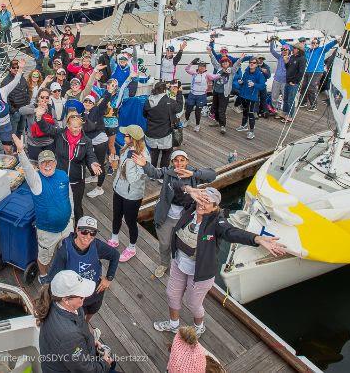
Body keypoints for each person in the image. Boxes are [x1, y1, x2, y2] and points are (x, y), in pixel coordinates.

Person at [144, 186, 284, 335]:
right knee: (172, 295)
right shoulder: (190, 207)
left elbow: (231, 232)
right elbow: (172, 187)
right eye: (202, 198)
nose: (202, 203)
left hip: (200, 273)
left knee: (193, 303)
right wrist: (190, 190)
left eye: (207, 201)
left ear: (215, 207)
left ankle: (199, 327)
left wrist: (256, 238)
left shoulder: (217, 223)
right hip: (179, 263)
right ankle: (173, 324)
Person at [135, 150, 216, 278]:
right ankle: (164, 263)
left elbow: (212, 175)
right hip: (166, 216)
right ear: (172, 162)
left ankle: (178, 264)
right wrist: (145, 164)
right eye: (176, 160)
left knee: (181, 244)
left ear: (187, 161)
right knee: (165, 244)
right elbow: (154, 172)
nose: (179, 163)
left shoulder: (192, 173)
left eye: (182, 160)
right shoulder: (168, 171)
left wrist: (194, 173)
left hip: (184, 218)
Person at [13, 135, 72, 283]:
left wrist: (72, 219)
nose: (47, 165)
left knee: (65, 251)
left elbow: (69, 196)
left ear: (55, 163)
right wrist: (21, 151)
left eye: (50, 162)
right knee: (44, 258)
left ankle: (62, 270)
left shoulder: (63, 175)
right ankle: (43, 276)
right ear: (38, 166)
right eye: (43, 163)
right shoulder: (36, 180)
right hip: (47, 231)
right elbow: (27, 168)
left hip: (66, 227)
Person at [37, 270, 115, 372]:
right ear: (66, 300)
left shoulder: (58, 302)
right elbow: (84, 370)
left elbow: (80, 328)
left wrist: (91, 341)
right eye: (81, 296)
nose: (86, 296)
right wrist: (104, 364)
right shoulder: (69, 335)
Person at [35, 111, 102, 224]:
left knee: (77, 206)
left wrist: (93, 163)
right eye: (75, 127)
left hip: (77, 181)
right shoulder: (60, 134)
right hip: (60, 177)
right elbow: (46, 128)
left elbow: (90, 155)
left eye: (79, 127)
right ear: (68, 126)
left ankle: (78, 228)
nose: (77, 129)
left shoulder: (86, 141)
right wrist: (39, 117)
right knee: (59, 202)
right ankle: (62, 225)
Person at [48, 216, 119, 322]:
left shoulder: (97, 245)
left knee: (92, 311)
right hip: (75, 296)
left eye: (92, 233)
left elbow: (115, 255)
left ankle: (86, 323)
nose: (88, 236)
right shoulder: (64, 252)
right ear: (77, 229)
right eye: (84, 231)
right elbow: (53, 279)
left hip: (95, 291)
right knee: (75, 320)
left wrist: (109, 278)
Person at [109, 125, 149, 261]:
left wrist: (131, 161)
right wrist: (115, 165)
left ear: (132, 139)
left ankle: (132, 248)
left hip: (132, 195)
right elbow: (120, 169)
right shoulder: (126, 148)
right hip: (118, 189)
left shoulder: (143, 156)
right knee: (116, 215)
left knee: (130, 221)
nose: (123, 136)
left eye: (126, 135)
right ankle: (114, 238)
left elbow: (132, 179)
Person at [81, 82, 114, 199]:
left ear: (94, 104)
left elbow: (104, 102)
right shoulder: (82, 113)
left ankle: (99, 188)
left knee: (99, 163)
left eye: (90, 101)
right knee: (88, 160)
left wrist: (109, 91)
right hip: (90, 141)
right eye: (86, 101)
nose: (88, 103)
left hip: (100, 141)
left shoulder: (97, 110)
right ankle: (94, 176)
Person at [144, 81, 182, 169]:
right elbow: (179, 108)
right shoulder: (170, 102)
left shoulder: (148, 101)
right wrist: (179, 93)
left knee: (153, 153)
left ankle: (152, 173)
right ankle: (162, 174)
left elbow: (144, 115)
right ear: (165, 90)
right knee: (166, 154)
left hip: (151, 134)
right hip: (165, 134)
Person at [293, 37, 338, 111]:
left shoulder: (321, 50)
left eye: (316, 43)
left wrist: (336, 41)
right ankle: (303, 102)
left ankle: (313, 105)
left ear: (318, 44)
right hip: (307, 71)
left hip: (317, 72)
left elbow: (328, 46)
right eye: (313, 43)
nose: (314, 44)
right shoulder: (308, 50)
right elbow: (295, 47)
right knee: (304, 86)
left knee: (311, 87)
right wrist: (280, 41)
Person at [232, 56, 267, 140]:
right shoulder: (246, 72)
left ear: (257, 64)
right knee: (244, 111)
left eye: (254, 63)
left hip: (252, 97)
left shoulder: (259, 74)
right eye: (250, 62)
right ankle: (244, 125)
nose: (251, 64)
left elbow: (262, 86)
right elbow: (243, 81)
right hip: (243, 95)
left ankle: (251, 132)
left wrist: (254, 84)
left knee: (251, 113)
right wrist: (241, 82)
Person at [20, 85, 57, 160]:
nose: (44, 99)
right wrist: (35, 110)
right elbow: (21, 110)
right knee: (35, 165)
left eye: (47, 97)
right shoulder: (33, 107)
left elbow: (56, 125)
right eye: (42, 97)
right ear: (38, 98)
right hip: (34, 144)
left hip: (49, 143)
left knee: (48, 164)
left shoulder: (51, 109)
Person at [206, 56, 240, 134]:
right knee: (215, 107)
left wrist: (240, 58)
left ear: (229, 63)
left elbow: (236, 65)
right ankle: (217, 121)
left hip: (224, 93)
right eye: (223, 62)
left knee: (222, 110)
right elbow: (214, 61)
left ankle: (223, 126)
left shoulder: (231, 71)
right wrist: (210, 53)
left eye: (226, 62)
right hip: (216, 91)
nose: (225, 63)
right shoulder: (219, 68)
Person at [1, 60, 31, 137]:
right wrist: (13, 111)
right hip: (14, 112)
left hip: (23, 110)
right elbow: (4, 99)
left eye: (17, 67)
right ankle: (13, 148)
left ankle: (20, 148)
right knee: (13, 134)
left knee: (21, 131)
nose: (16, 69)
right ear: (10, 68)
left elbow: (27, 92)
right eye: (14, 67)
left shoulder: (22, 78)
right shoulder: (5, 81)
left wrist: (26, 105)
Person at [182, 60, 210, 132]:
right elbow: (187, 69)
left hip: (201, 95)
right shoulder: (194, 73)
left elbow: (216, 76)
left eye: (203, 66)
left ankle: (197, 125)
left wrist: (223, 73)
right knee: (188, 110)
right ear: (198, 67)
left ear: (205, 68)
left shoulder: (207, 74)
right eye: (200, 66)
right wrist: (191, 63)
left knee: (198, 111)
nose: (201, 67)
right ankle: (187, 120)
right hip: (192, 94)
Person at [282, 43, 306, 123]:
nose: (293, 49)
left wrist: (295, 81)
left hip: (293, 83)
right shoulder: (292, 57)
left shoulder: (302, 59)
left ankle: (290, 116)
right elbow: (288, 68)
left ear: (298, 50)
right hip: (288, 81)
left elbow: (301, 72)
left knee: (290, 100)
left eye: (294, 48)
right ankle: (285, 113)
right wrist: (286, 63)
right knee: (285, 98)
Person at [268, 38, 290, 113]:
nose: (283, 51)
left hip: (285, 81)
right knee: (274, 95)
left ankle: (284, 110)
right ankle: (275, 109)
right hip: (277, 79)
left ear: (288, 51)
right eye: (282, 49)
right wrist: (271, 42)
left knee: (285, 96)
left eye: (285, 49)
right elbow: (272, 51)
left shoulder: (291, 58)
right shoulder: (279, 57)